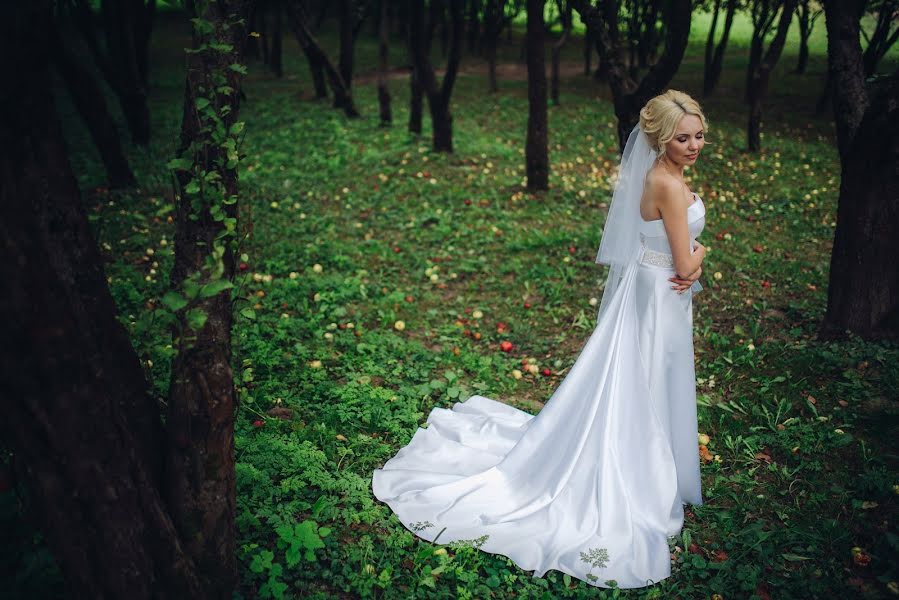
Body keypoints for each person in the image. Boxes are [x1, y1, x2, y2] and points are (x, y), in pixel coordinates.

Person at [371, 90, 708, 589]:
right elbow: (684, 263)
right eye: (683, 137)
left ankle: (640, 459)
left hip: (649, 288)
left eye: (699, 135)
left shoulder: (658, 174)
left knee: (637, 378)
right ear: (660, 138)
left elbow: (651, 243)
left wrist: (681, 256)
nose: (694, 145)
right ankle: (637, 474)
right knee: (647, 377)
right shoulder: (670, 186)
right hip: (659, 295)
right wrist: (701, 251)